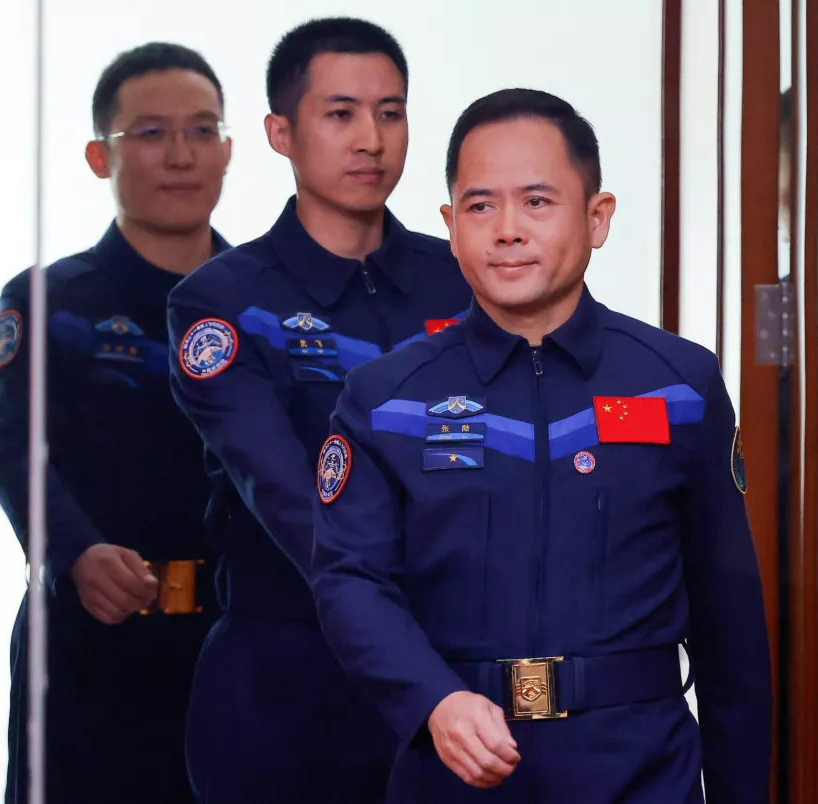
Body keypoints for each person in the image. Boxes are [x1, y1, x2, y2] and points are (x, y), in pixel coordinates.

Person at [310, 88, 773, 802]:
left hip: (638, 769)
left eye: (537, 201)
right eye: (479, 205)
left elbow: (729, 617)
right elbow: (349, 582)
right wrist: (434, 701)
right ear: (450, 225)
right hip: (455, 761)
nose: (507, 230)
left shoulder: (679, 384)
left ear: (597, 218)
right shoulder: (384, 397)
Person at [166, 17, 473, 804]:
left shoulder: (468, 282)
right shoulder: (223, 301)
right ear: (280, 132)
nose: (371, 139)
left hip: (461, 678)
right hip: (287, 688)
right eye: (340, 114)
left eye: (391, 112)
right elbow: (289, 496)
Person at [0, 42, 232, 804]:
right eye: (151, 134)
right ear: (100, 157)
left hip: (231, 651)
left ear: (228, 150)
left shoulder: (264, 309)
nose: (181, 156)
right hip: (86, 652)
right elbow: (13, 443)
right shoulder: (53, 300)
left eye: (201, 131)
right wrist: (75, 551)